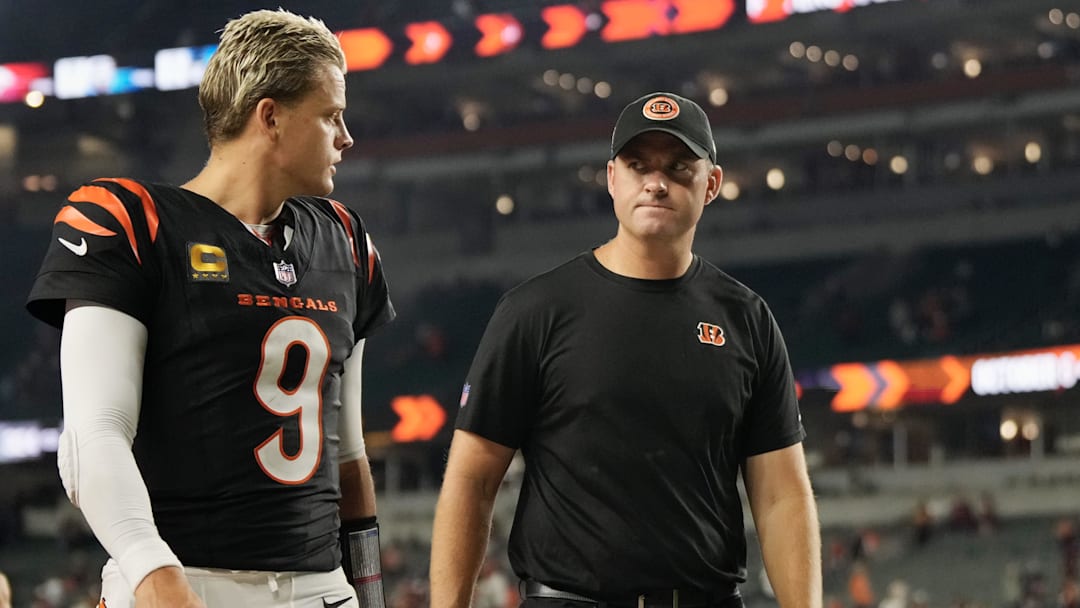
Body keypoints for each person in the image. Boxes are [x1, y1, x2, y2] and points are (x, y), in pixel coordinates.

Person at [26, 9, 394, 608]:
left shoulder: (345, 241)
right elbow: (95, 435)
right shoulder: (132, 221)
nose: (346, 137)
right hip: (183, 576)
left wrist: (370, 591)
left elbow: (347, 455)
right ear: (270, 117)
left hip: (322, 588)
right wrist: (151, 571)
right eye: (330, 115)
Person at [430, 92, 821, 607]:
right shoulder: (536, 310)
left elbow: (781, 497)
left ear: (712, 184)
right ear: (612, 178)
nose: (656, 183)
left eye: (680, 167)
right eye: (639, 166)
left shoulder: (746, 319)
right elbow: (471, 481)